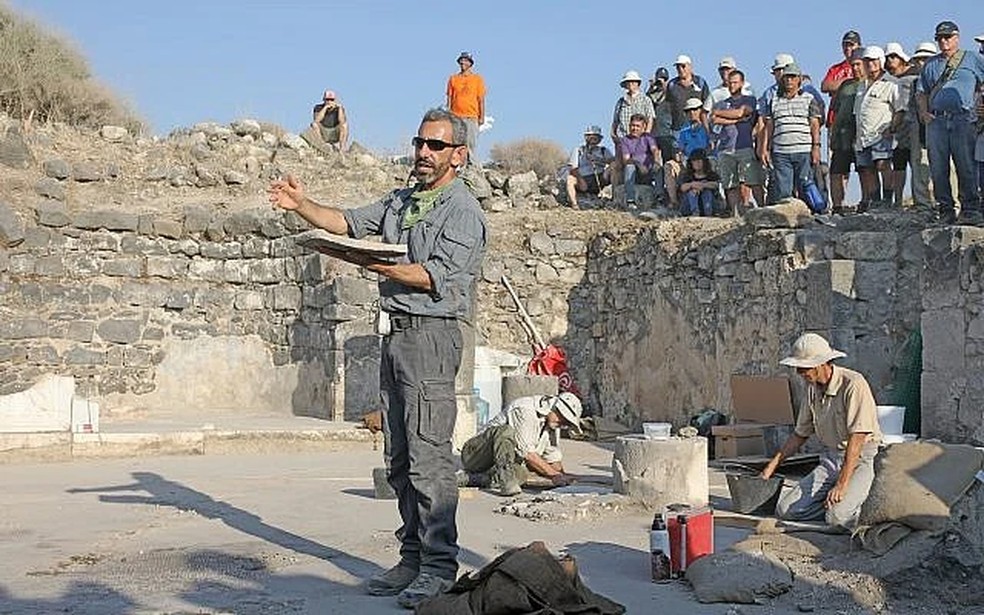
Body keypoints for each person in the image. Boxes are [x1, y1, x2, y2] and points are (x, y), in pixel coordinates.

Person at [269, 108, 487, 609]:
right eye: (420, 143)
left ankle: (438, 567)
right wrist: (302, 205)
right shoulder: (402, 201)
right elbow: (347, 221)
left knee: (429, 456)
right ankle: (412, 558)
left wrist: (373, 263)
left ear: (458, 155)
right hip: (396, 335)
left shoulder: (462, 211)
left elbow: (434, 276)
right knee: (400, 455)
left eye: (435, 146)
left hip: (432, 336)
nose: (424, 153)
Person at [761, 333, 882, 529]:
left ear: (819, 364)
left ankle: (859, 504)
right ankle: (837, 508)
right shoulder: (811, 389)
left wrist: (842, 484)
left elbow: (857, 438)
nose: (799, 373)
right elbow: (800, 434)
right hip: (833, 459)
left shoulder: (853, 384)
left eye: (803, 369)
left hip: (862, 458)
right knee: (787, 510)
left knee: (837, 518)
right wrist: (771, 466)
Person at [915, 20, 984, 224]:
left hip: (964, 118)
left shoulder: (972, 58)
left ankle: (970, 209)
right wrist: (924, 114)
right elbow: (921, 92)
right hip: (937, 120)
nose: (943, 41)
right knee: (938, 167)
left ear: (957, 38)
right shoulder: (930, 64)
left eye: (947, 37)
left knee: (966, 164)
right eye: (939, 38)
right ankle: (945, 210)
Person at [459, 392, 584, 497]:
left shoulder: (552, 424)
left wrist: (563, 476)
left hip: (499, 463)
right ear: (555, 409)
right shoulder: (525, 409)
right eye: (563, 419)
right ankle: (506, 481)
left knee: (522, 474)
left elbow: (552, 458)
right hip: (475, 455)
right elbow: (528, 454)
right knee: (505, 431)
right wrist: (554, 475)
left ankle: (473, 479)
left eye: (567, 423)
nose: (563, 424)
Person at [759, 63, 823, 204]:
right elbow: (769, 126)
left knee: (806, 185)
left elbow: (815, 124)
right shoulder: (774, 100)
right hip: (781, 151)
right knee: (784, 190)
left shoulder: (808, 98)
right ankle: (787, 214)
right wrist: (765, 148)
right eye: (786, 77)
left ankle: (810, 212)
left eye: (793, 77)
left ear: (799, 79)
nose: (789, 80)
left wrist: (816, 147)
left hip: (803, 149)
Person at [853, 46, 901, 209]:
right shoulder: (861, 85)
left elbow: (900, 109)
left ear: (881, 61)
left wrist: (892, 128)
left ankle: (887, 201)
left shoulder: (891, 83)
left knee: (883, 165)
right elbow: (857, 112)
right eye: (867, 60)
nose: (870, 64)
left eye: (873, 60)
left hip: (881, 134)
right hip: (862, 136)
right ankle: (875, 202)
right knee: (867, 169)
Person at [711, 69, 764, 213]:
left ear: (742, 83)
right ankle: (735, 214)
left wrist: (724, 115)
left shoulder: (749, 99)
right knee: (730, 185)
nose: (732, 85)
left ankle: (763, 209)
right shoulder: (721, 103)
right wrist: (737, 120)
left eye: (735, 82)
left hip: (744, 146)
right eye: (730, 82)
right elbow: (714, 119)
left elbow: (741, 111)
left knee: (753, 181)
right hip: (725, 148)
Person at [828, 50, 866, 213]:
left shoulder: (870, 84)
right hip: (842, 133)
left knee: (864, 170)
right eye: (853, 65)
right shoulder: (845, 85)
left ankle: (866, 202)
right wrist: (833, 132)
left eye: (858, 64)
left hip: (861, 134)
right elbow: (836, 109)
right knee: (836, 171)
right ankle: (837, 206)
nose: (855, 68)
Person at [885, 42, 918, 207]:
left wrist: (893, 127)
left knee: (916, 165)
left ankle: (919, 199)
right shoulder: (890, 79)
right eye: (888, 57)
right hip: (899, 131)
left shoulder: (913, 76)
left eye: (893, 56)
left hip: (913, 128)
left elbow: (904, 108)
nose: (890, 60)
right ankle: (898, 200)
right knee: (899, 165)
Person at [908, 42, 939, 208]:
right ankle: (923, 204)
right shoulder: (914, 83)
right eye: (919, 60)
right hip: (920, 128)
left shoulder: (943, 79)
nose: (922, 63)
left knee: (946, 166)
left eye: (926, 59)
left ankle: (948, 203)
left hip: (941, 126)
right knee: (919, 165)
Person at [446, 51, 486, 160]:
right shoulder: (453, 79)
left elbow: (481, 99)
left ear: (470, 63)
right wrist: (448, 115)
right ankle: (458, 163)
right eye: (461, 60)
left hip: (471, 116)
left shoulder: (477, 79)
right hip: (456, 116)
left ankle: (471, 164)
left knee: (470, 143)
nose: (462, 62)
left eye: (465, 60)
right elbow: (449, 98)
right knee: (456, 142)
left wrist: (482, 117)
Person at [565, 125, 614, 209]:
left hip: (600, 178)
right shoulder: (578, 150)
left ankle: (615, 198)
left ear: (599, 139)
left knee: (614, 166)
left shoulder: (603, 150)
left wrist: (598, 159)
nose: (593, 139)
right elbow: (573, 168)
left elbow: (613, 162)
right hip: (584, 180)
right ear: (586, 137)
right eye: (591, 137)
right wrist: (580, 179)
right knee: (570, 179)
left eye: (596, 137)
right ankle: (574, 204)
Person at [619, 113, 661, 208]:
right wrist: (639, 165)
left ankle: (659, 198)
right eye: (633, 125)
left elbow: (654, 150)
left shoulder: (648, 137)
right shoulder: (625, 140)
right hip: (635, 173)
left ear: (643, 127)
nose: (635, 128)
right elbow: (626, 159)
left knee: (659, 168)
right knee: (629, 167)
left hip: (649, 170)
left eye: (638, 126)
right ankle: (630, 200)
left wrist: (656, 162)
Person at [666, 55, 711, 132]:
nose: (680, 69)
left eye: (683, 66)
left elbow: (707, 105)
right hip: (678, 128)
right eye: (678, 67)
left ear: (690, 67)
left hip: (698, 128)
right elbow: (667, 107)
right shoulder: (672, 85)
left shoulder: (700, 82)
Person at [676, 149, 721, 217]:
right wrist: (693, 185)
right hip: (689, 206)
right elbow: (682, 188)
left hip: (710, 205)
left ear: (704, 162)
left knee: (707, 192)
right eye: (694, 161)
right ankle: (695, 213)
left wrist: (703, 185)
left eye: (699, 160)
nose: (697, 163)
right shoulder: (687, 175)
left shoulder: (711, 174)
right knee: (691, 192)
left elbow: (716, 185)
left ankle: (708, 213)